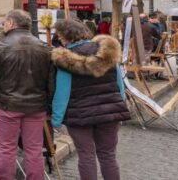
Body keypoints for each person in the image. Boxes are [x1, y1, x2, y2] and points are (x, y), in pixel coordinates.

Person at [51, 18, 131, 180]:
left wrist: (56, 120)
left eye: (59, 35)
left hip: (79, 115)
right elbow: (119, 85)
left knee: (86, 155)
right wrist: (119, 105)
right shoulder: (105, 52)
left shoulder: (66, 59)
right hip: (109, 113)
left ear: (65, 36)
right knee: (108, 155)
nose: (58, 39)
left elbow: (62, 93)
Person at [0, 9, 54, 180]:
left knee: (6, 148)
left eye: (5, 22)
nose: (3, 25)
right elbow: (51, 82)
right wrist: (48, 106)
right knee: (34, 150)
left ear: (11, 23)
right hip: (36, 107)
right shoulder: (44, 48)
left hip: (7, 105)